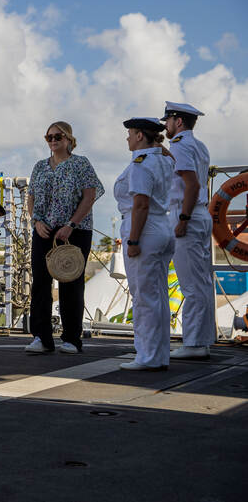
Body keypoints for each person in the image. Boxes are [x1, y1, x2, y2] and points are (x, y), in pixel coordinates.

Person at [26, 121, 103, 355]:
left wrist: (71, 224)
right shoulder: (40, 166)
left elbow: (90, 196)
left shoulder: (81, 164)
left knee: (71, 282)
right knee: (40, 282)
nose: (52, 140)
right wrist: (35, 221)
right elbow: (30, 197)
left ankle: (71, 338)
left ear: (68, 138)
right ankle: (41, 336)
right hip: (44, 229)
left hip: (74, 230)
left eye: (57, 136)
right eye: (48, 137)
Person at [115, 118, 175, 370]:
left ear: (140, 135)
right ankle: (159, 354)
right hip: (162, 227)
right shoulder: (163, 159)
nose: (127, 138)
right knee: (158, 295)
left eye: (130, 133)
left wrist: (134, 240)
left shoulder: (141, 164)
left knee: (143, 297)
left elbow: (140, 203)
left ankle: (147, 356)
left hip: (144, 229)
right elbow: (167, 155)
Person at [162, 102, 215, 360]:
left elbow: (191, 185)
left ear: (178, 122)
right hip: (201, 213)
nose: (165, 126)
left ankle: (194, 343)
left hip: (188, 214)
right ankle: (202, 341)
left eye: (168, 121)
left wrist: (182, 218)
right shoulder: (199, 146)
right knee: (202, 281)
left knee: (190, 283)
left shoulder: (181, 146)